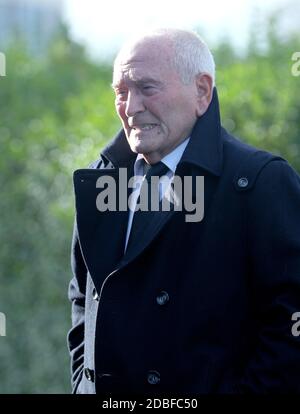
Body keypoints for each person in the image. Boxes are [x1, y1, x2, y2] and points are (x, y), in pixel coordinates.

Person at [67, 28, 300, 394]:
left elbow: (290, 324)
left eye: (147, 88)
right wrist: (83, 382)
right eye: (121, 92)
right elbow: (82, 298)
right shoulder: (100, 178)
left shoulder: (257, 181)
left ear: (202, 92)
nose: (130, 108)